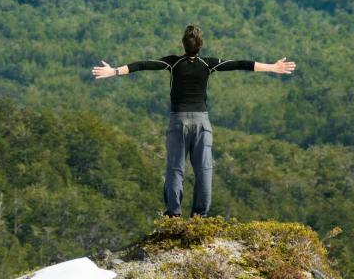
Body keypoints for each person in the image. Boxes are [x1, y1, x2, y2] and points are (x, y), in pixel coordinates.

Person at [92, 24, 295, 218]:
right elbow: (241, 64)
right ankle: (200, 215)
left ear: (183, 44)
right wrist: (273, 67)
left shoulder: (172, 63)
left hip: (178, 121)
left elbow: (143, 65)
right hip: (201, 122)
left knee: (175, 168)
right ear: (201, 45)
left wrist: (113, 71)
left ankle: (174, 213)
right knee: (204, 169)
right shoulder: (208, 63)